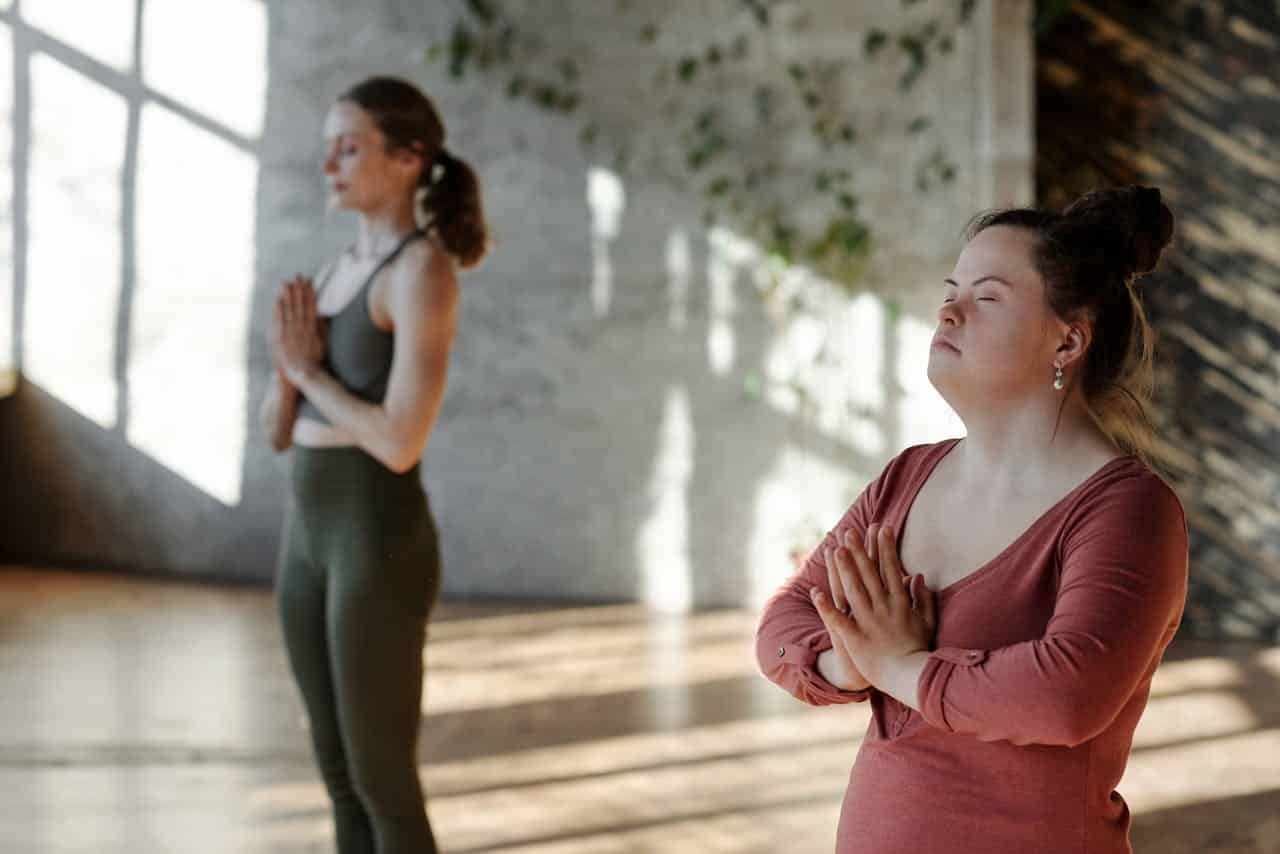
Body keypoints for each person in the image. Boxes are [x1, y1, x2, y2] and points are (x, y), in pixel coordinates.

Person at [755, 186, 1188, 853]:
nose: (948, 310)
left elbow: (1062, 697)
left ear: (1068, 341)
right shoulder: (907, 477)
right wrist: (849, 664)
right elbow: (786, 623)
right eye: (952, 289)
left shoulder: (1128, 509)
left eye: (986, 297)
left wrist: (899, 666)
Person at [258, 75, 487, 854]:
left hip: (376, 542)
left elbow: (400, 440)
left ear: (409, 157)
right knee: (336, 774)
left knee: (382, 779)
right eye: (328, 148)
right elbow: (277, 433)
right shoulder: (332, 272)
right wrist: (286, 368)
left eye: (349, 147)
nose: (330, 165)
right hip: (307, 535)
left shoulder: (421, 272)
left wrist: (310, 372)